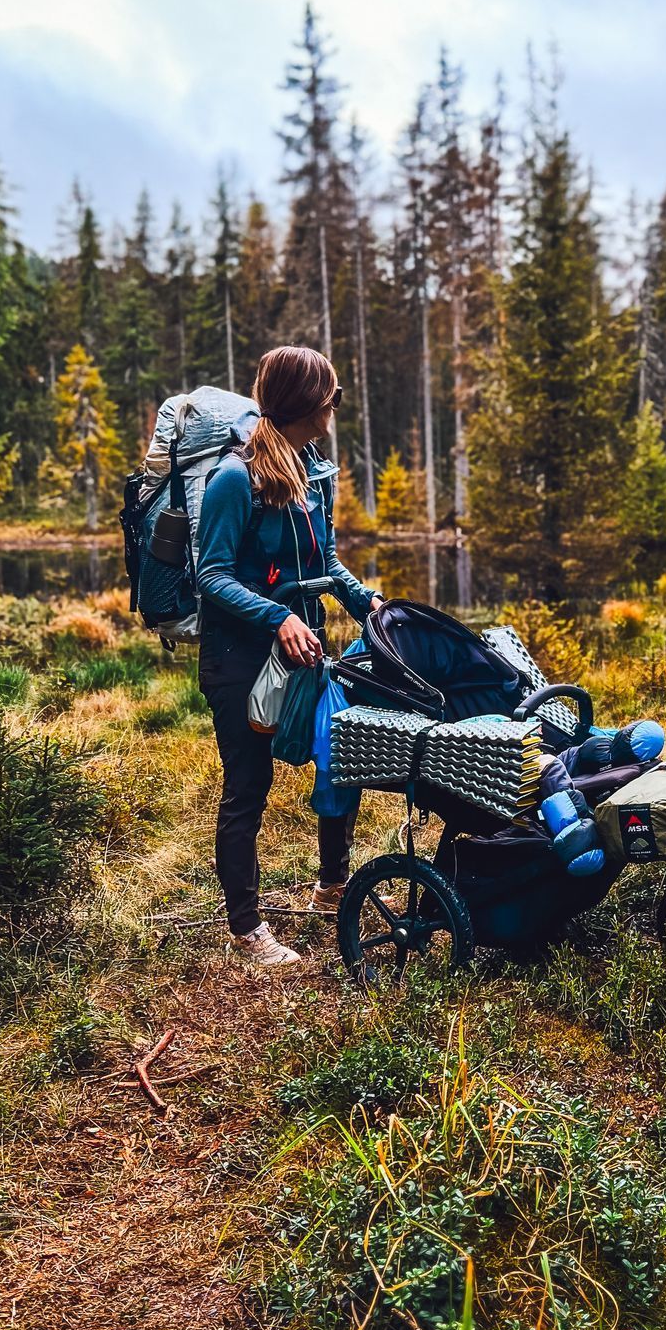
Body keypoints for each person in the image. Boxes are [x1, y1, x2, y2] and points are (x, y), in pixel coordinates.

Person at [195, 345, 381, 965]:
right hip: (242, 657)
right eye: (327, 396)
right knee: (248, 787)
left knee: (338, 753)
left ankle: (332, 888)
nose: (334, 407)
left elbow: (322, 562)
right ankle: (247, 929)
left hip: (306, 649)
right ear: (306, 404)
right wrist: (277, 619)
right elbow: (213, 576)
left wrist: (366, 604)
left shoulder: (312, 471)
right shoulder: (233, 479)